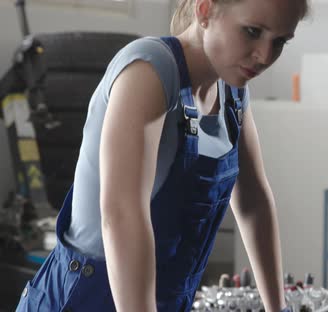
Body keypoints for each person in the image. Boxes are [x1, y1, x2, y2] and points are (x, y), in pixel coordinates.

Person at [15, 0, 308, 310]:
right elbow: (121, 215)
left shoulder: (232, 91)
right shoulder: (149, 70)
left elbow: (253, 202)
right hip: (85, 299)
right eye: (252, 32)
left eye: (279, 42)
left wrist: (278, 308)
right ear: (205, 10)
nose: (264, 55)